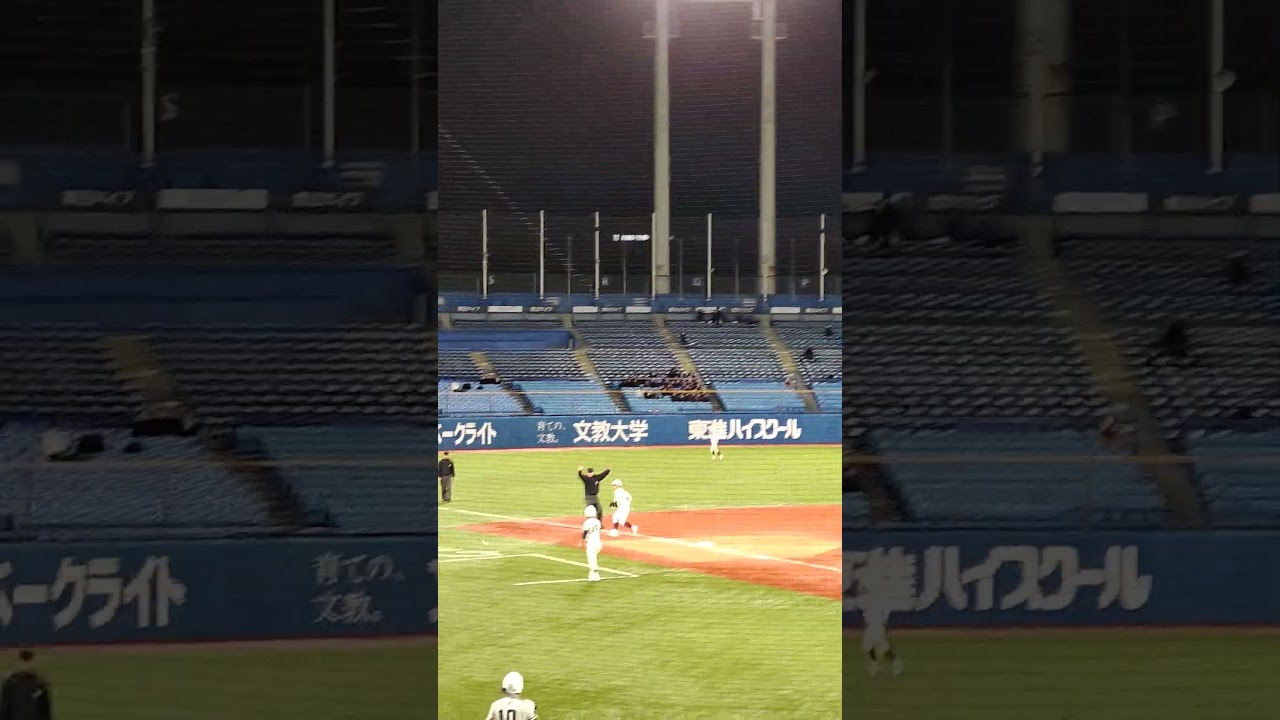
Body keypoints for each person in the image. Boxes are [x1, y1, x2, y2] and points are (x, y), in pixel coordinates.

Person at [1, 649, 52, 720]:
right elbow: (4, 710)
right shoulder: (10, 683)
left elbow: (45, 712)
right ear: (19, 662)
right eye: (24, 662)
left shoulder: (39, 683)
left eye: (28, 661)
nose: (26, 665)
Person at [580, 506, 603, 582]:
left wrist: (582, 540)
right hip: (598, 542)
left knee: (592, 559)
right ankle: (592, 573)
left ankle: (595, 575)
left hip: (591, 543)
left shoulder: (587, 522)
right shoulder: (598, 521)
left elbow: (585, 532)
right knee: (593, 557)